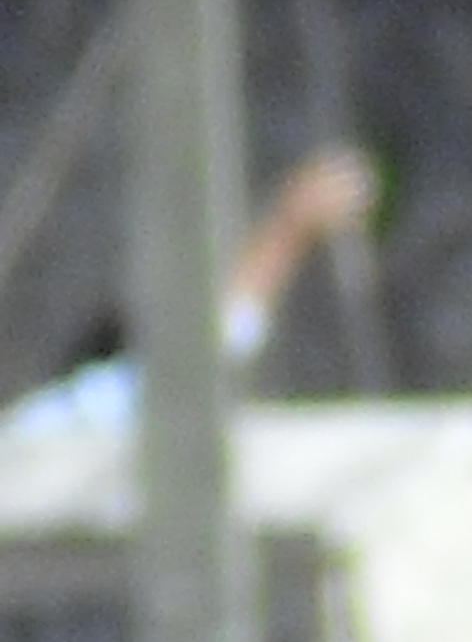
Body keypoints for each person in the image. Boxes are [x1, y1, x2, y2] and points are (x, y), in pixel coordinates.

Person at [0, 144, 378, 438]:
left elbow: (212, 342)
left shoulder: (53, 419)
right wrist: (291, 226)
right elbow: (205, 349)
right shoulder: (68, 418)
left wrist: (292, 226)